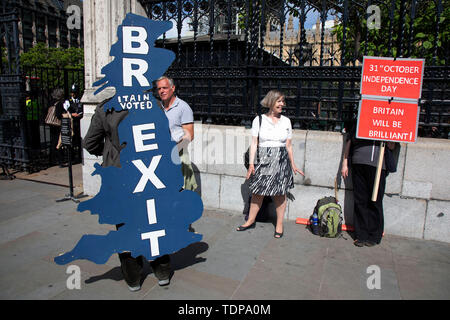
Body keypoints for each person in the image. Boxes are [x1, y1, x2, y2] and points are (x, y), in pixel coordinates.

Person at [83, 98, 171, 291]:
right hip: (148, 174)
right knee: (153, 222)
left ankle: (133, 278)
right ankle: (162, 271)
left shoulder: (105, 107)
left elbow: (89, 143)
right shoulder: (152, 103)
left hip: (118, 176)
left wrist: (110, 152)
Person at [236, 90, 304, 238]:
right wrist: (252, 163)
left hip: (280, 158)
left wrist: (293, 164)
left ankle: (279, 224)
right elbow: (254, 143)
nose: (282, 104)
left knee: (280, 193)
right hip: (263, 159)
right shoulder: (258, 120)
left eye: (282, 101)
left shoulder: (286, 121)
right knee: (258, 192)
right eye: (279, 101)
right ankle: (250, 220)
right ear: (271, 102)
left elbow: (289, 145)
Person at [341, 125, 396, 247]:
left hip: (378, 166)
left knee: (375, 201)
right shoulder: (360, 122)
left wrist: (388, 136)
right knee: (360, 200)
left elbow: (391, 146)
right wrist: (345, 163)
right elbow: (349, 142)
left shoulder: (387, 125)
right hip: (359, 163)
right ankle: (361, 235)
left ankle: (374, 235)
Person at [155, 76, 197, 192]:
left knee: (184, 192)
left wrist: (173, 151)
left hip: (178, 154)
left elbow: (190, 135)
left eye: (165, 88)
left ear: (173, 88)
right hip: (160, 155)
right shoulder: (157, 107)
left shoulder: (183, 107)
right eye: (159, 89)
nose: (162, 91)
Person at [67, 84, 83, 163]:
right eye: (72, 92)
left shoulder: (80, 101)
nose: (73, 94)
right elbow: (66, 111)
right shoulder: (68, 101)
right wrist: (72, 114)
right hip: (72, 123)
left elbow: (82, 110)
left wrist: (80, 114)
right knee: (72, 141)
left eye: (75, 92)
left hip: (79, 122)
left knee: (79, 140)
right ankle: (72, 158)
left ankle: (80, 157)